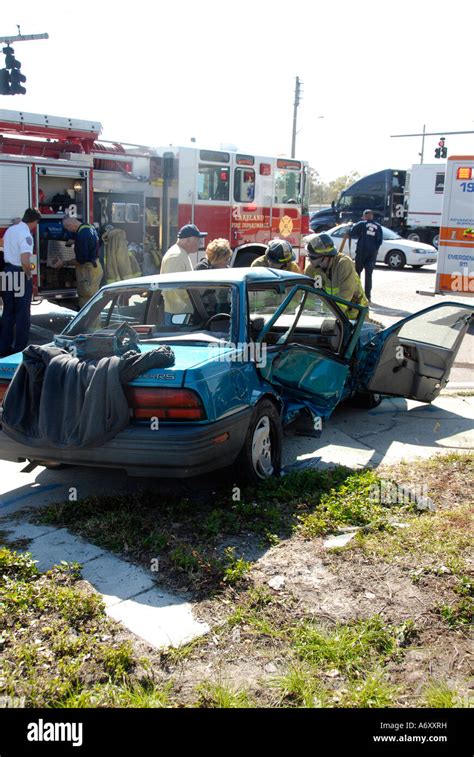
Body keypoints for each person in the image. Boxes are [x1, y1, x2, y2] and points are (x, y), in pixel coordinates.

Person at [0, 208, 41, 356]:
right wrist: (28, 275)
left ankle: (3, 347)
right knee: (22, 314)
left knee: (8, 312)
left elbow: (3, 246)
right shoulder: (26, 235)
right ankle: (20, 349)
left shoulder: (11, 230)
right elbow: (25, 260)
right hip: (19, 274)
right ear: (34, 222)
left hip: (6, 272)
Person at [304, 232, 368, 319]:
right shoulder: (311, 269)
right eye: (308, 255)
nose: (309, 259)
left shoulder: (344, 264)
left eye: (313, 257)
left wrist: (330, 316)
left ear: (326, 256)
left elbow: (344, 295)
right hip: (333, 314)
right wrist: (307, 314)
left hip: (356, 315)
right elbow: (308, 295)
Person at [160, 224, 207, 324]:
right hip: (177, 313)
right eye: (197, 240)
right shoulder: (176, 257)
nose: (199, 243)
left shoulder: (181, 254)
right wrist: (198, 293)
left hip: (180, 312)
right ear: (188, 240)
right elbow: (175, 287)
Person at [59, 217, 103, 309]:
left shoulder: (82, 235)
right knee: (93, 300)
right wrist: (75, 241)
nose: (69, 231)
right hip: (95, 268)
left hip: (88, 271)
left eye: (67, 229)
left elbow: (81, 260)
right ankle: (93, 323)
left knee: (87, 302)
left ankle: (91, 323)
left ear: (70, 225)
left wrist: (64, 263)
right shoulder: (88, 227)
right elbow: (90, 243)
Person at [348, 209, 383, 302]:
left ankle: (357, 294)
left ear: (365, 216)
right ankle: (368, 297)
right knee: (369, 275)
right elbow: (380, 241)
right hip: (372, 254)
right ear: (372, 216)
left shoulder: (362, 224)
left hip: (361, 252)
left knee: (357, 273)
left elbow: (351, 233)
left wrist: (350, 226)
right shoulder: (378, 227)